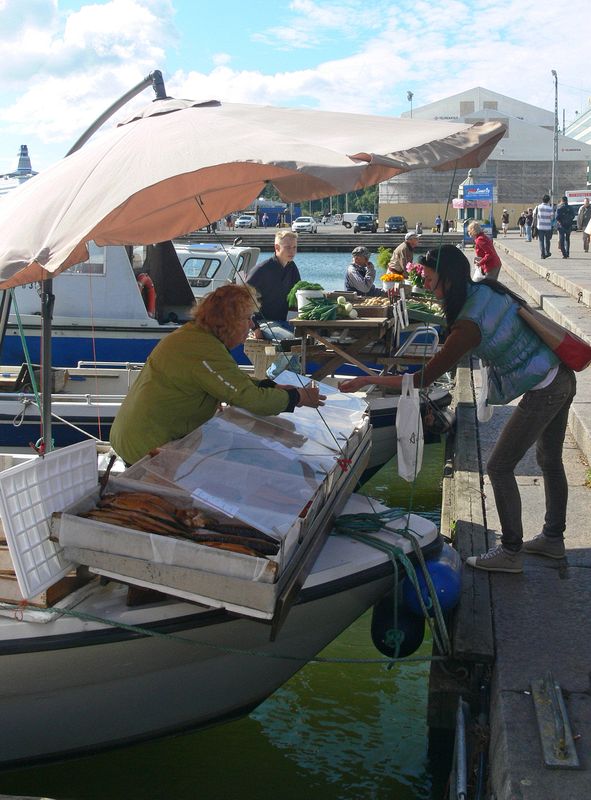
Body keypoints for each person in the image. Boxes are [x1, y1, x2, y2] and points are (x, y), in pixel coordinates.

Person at [339, 244, 576, 574]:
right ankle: (552, 538)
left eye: (431, 279)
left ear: (447, 279)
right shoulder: (485, 289)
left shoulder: (466, 326)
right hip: (560, 374)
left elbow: (423, 379)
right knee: (549, 460)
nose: (428, 287)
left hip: (546, 388)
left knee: (498, 466)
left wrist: (366, 379)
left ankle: (510, 552)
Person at [109, 285, 325, 465]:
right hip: (146, 447)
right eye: (248, 318)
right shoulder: (202, 349)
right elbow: (249, 399)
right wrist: (298, 398)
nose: (251, 325)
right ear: (229, 321)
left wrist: (270, 387)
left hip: (138, 436)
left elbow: (228, 381)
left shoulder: (194, 336)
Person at [247, 230, 301, 341]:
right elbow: (241, 301)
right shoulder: (261, 270)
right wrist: (255, 328)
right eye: (288, 247)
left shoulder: (292, 268)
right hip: (262, 322)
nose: (292, 251)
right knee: (290, 340)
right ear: (277, 247)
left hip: (283, 321)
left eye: (295, 247)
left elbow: (298, 295)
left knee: (310, 337)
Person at [535, 194, 554, 259]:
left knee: (541, 241)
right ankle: (547, 252)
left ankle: (542, 254)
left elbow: (535, 215)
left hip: (540, 226)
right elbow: (551, 218)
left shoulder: (538, 207)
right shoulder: (550, 208)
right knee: (547, 240)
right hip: (548, 227)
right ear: (548, 200)